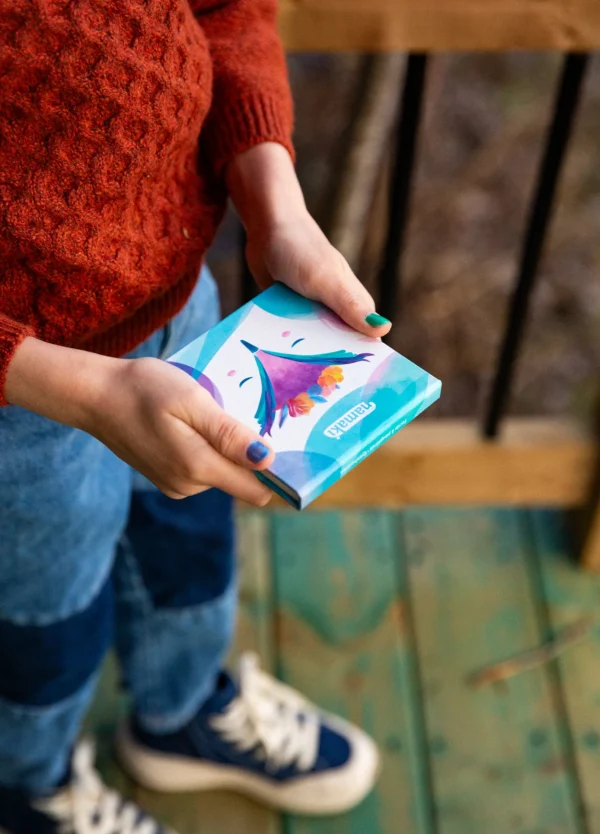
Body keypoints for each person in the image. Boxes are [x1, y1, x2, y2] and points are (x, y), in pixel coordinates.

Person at [0, 1, 392, 831]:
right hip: (17, 402)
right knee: (46, 614)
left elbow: (224, 10)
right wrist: (82, 392)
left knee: (189, 538)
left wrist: (274, 205)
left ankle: (178, 716)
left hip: (185, 299)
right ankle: (33, 790)